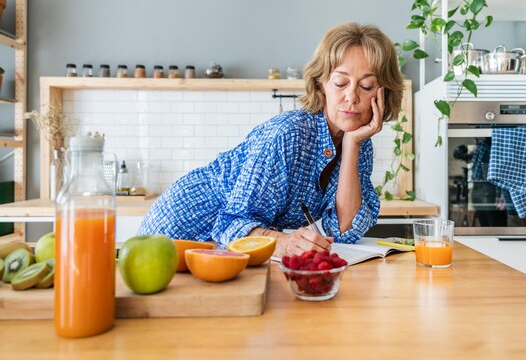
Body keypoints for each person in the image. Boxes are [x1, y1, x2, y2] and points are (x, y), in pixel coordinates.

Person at [137, 22, 405, 257]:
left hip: (225, 252)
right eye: (340, 83)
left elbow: (345, 230)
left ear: (382, 93)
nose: (352, 96)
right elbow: (231, 225)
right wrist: (285, 243)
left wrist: (352, 145)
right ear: (321, 83)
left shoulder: (357, 142)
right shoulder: (287, 134)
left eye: (366, 86)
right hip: (177, 234)